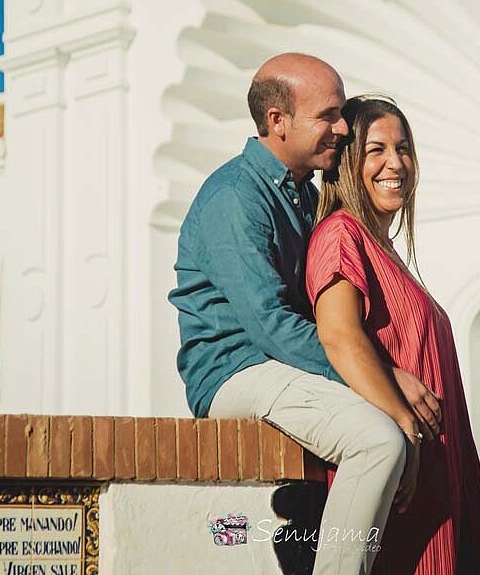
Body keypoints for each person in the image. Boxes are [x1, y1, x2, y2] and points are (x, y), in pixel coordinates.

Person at [170, 54, 442, 575]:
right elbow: (271, 324)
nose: (342, 129)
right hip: (235, 371)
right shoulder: (235, 196)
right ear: (277, 122)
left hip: (282, 366)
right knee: (378, 440)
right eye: (328, 116)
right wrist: (386, 380)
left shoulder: (302, 195)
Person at [306, 95, 480, 575]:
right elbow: (339, 338)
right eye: (376, 150)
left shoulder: (383, 249)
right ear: (349, 162)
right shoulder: (340, 235)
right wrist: (405, 428)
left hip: (440, 476)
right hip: (401, 482)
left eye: (404, 147)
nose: (396, 163)